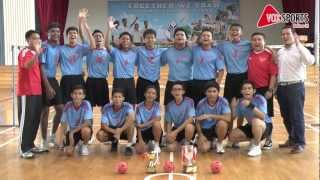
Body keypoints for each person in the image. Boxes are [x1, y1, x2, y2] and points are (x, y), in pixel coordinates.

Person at [276, 26, 315, 153]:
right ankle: (292, 138)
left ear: (294, 35)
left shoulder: (300, 50)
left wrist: (299, 45)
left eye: (287, 34)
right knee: (285, 115)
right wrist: (277, 87)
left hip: (295, 86)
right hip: (282, 87)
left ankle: (300, 142)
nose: (285, 36)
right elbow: (279, 71)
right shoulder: (281, 51)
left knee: (296, 115)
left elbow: (310, 61)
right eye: (282, 34)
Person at [217, 23, 251, 148]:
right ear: (229, 32)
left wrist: (272, 53)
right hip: (231, 78)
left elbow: (262, 46)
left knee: (242, 108)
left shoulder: (248, 44)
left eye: (237, 30)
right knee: (231, 109)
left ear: (241, 33)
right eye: (232, 30)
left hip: (243, 78)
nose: (234, 32)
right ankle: (230, 134)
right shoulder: (224, 45)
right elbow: (208, 46)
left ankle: (237, 135)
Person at [17, 30, 46, 158]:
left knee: (35, 119)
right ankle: (23, 149)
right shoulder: (25, 52)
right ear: (28, 40)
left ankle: (31, 145)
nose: (38, 40)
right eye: (35, 38)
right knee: (26, 120)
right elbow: (27, 65)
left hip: (37, 91)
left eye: (39, 38)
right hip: (26, 92)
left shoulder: (35, 53)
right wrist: (36, 55)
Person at [248, 32, 278, 150]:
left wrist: (270, 90)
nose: (257, 42)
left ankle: (269, 139)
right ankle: (256, 139)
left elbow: (273, 75)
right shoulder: (249, 54)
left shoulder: (269, 55)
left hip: (265, 89)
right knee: (253, 115)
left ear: (264, 42)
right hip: (252, 91)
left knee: (267, 116)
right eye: (254, 40)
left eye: (259, 39)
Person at [59, 9, 95, 104]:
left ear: (77, 36)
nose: (73, 35)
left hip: (78, 78)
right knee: (65, 104)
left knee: (80, 103)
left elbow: (93, 46)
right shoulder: (61, 49)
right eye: (70, 33)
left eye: (75, 33)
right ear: (67, 36)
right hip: (66, 79)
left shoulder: (81, 48)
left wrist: (85, 26)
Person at [229, 81, 272, 157]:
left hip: (264, 126)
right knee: (232, 136)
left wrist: (250, 105)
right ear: (241, 91)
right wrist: (233, 107)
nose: (247, 90)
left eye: (249, 88)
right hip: (251, 126)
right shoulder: (240, 102)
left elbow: (262, 116)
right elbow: (235, 118)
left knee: (256, 120)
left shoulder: (260, 99)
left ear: (254, 91)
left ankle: (256, 146)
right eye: (244, 89)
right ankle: (254, 140)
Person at [39, 22, 64, 150]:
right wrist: (47, 86)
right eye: (53, 31)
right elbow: (41, 67)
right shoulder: (44, 46)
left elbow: (59, 63)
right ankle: (43, 141)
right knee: (45, 111)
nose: (56, 34)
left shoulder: (59, 47)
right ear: (47, 33)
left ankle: (53, 135)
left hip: (53, 79)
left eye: (58, 31)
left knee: (60, 109)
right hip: (44, 80)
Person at [105, 16, 138, 105]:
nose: (125, 40)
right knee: (117, 105)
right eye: (123, 38)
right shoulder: (115, 52)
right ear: (119, 40)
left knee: (132, 104)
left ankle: (130, 119)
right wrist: (109, 29)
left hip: (130, 81)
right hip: (118, 81)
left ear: (131, 41)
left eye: (127, 39)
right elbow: (107, 45)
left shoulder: (134, 53)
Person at [96, 89, 135, 156]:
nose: (117, 99)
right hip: (112, 130)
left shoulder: (128, 106)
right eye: (115, 97)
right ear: (112, 98)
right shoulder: (107, 107)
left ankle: (129, 146)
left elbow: (132, 118)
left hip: (123, 129)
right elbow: (103, 125)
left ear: (123, 98)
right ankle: (114, 142)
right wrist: (115, 131)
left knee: (131, 124)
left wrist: (120, 130)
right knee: (100, 135)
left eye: (119, 97)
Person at [191, 29, 225, 106]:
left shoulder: (216, 52)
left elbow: (221, 70)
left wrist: (216, 85)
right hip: (196, 82)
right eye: (203, 35)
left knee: (209, 105)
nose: (206, 37)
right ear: (200, 38)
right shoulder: (194, 49)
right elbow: (185, 43)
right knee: (196, 105)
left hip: (210, 83)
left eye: (208, 36)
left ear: (212, 39)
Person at [161, 27, 193, 106]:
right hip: (172, 83)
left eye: (182, 35)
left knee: (188, 108)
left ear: (186, 38)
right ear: (174, 38)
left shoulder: (192, 51)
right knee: (169, 107)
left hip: (188, 83)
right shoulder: (167, 51)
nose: (179, 36)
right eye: (177, 35)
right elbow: (161, 63)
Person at [58, 85, 93, 156]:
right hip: (72, 131)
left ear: (83, 96)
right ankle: (76, 143)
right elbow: (63, 122)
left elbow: (88, 122)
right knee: (69, 153)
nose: (77, 96)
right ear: (71, 95)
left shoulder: (86, 104)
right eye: (75, 93)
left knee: (86, 130)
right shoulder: (68, 105)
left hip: (81, 130)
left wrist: (72, 132)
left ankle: (84, 145)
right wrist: (64, 136)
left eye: (80, 93)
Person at [195, 82, 230, 154]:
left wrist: (210, 115)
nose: (212, 94)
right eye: (209, 91)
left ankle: (219, 143)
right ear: (205, 93)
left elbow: (228, 118)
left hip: (218, 127)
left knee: (222, 123)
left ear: (218, 92)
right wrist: (200, 135)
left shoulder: (223, 101)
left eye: (214, 91)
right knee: (204, 149)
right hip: (206, 129)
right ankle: (212, 142)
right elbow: (197, 121)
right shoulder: (201, 103)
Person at [136, 29, 166, 103]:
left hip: (154, 82)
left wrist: (168, 42)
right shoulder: (138, 50)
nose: (150, 39)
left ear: (155, 39)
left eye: (152, 37)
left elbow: (176, 46)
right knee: (140, 104)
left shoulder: (161, 51)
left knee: (155, 105)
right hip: (142, 81)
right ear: (144, 39)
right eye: (147, 38)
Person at [165, 82, 195, 152]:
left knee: (189, 127)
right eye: (174, 89)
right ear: (172, 92)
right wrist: (169, 134)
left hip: (186, 128)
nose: (177, 91)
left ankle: (187, 142)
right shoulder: (169, 105)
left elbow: (190, 119)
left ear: (183, 91)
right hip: (176, 129)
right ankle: (182, 144)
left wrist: (175, 132)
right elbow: (169, 122)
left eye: (179, 89)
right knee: (170, 148)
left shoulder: (189, 101)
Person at [135, 86, 162, 153]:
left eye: (153, 93)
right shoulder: (139, 106)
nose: (150, 95)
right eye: (149, 93)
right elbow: (138, 125)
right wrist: (140, 140)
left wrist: (143, 125)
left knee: (157, 124)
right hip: (143, 132)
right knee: (139, 150)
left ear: (156, 96)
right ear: (145, 94)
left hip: (153, 131)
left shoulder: (157, 105)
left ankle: (156, 144)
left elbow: (158, 118)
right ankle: (148, 143)